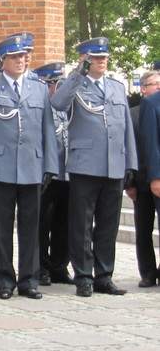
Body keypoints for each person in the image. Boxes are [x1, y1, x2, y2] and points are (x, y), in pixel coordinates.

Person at [0, 35, 58, 299]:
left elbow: (47, 128)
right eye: (15, 56)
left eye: (24, 55)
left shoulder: (38, 88)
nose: (22, 60)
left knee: (30, 227)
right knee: (2, 227)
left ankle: (29, 281)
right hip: (2, 165)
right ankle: (5, 281)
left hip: (31, 164)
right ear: (3, 60)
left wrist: (50, 164)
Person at [52, 36, 136, 297]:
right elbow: (58, 104)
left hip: (113, 164)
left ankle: (104, 275)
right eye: (95, 58)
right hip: (84, 165)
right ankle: (84, 276)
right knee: (82, 224)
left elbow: (126, 128)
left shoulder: (116, 87)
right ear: (84, 60)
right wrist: (78, 73)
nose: (101, 61)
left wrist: (130, 162)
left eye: (103, 57)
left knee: (108, 224)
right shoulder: (73, 84)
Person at [33, 61, 73, 285]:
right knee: (42, 223)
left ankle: (60, 266)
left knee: (64, 222)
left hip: (68, 172)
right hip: (47, 172)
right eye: (54, 83)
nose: (57, 87)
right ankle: (41, 267)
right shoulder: (40, 107)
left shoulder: (65, 106)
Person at [132, 70, 160, 286]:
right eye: (154, 83)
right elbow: (132, 149)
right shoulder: (133, 113)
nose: (158, 86)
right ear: (143, 88)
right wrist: (130, 182)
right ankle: (148, 273)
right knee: (143, 229)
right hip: (142, 181)